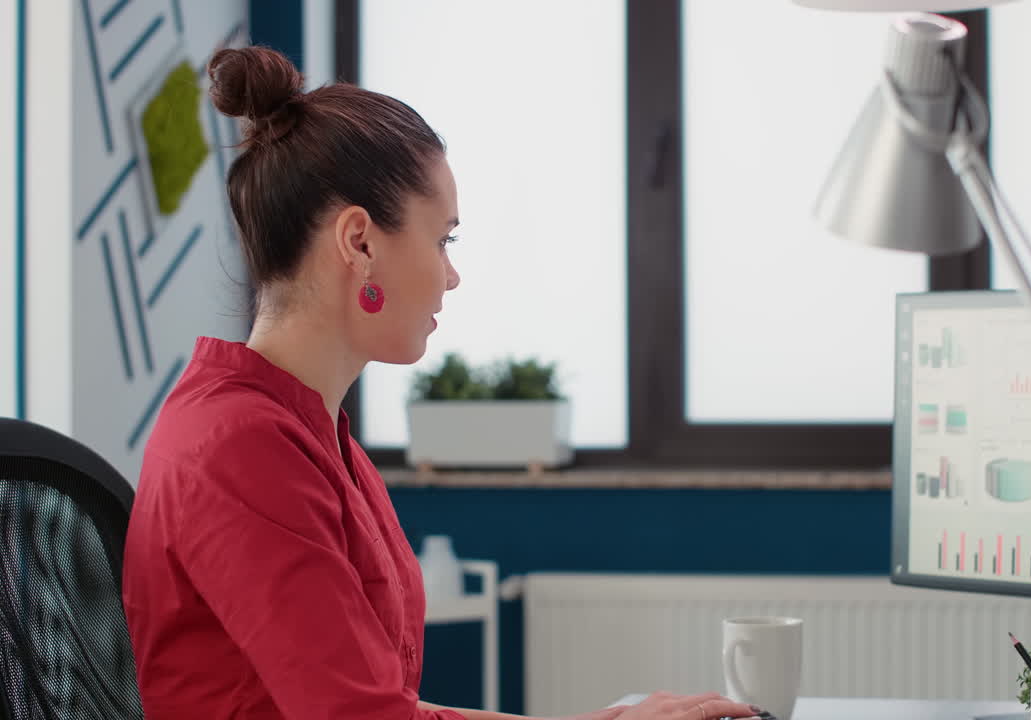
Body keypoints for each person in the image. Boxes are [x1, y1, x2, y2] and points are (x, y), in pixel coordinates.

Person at [121, 46, 763, 720]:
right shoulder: (239, 447)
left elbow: (382, 707)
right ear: (360, 242)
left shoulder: (302, 432)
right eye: (444, 240)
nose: (451, 275)